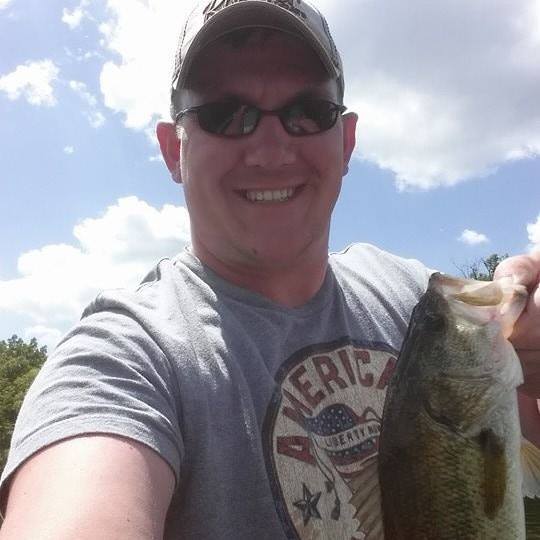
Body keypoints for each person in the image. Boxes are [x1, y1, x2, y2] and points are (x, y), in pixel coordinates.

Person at [0, 0, 539, 538]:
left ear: (347, 141)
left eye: (308, 111)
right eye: (224, 114)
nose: (270, 147)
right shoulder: (123, 359)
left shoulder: (415, 298)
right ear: (172, 150)